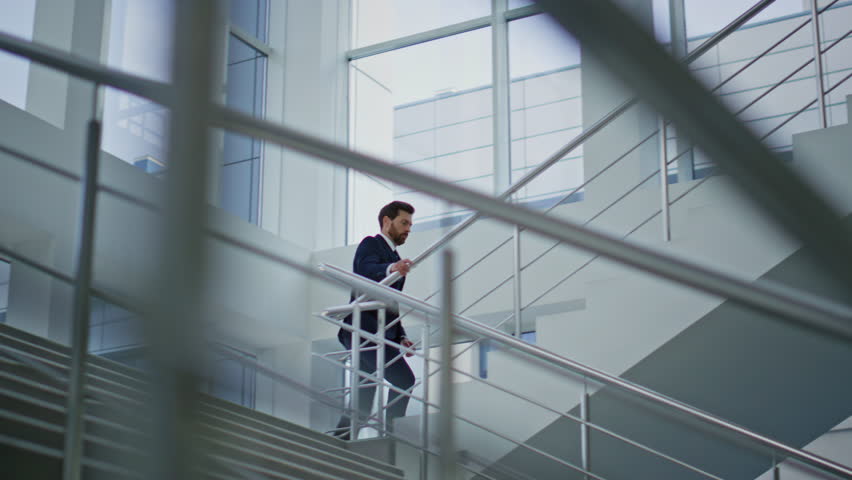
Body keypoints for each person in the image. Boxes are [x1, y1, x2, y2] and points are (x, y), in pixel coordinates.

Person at [333, 201, 417, 440]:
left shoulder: (395, 257)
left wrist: (401, 336)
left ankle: (338, 444)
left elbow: (392, 303)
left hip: (379, 334)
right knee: (404, 379)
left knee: (363, 397)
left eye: (410, 225)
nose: (408, 229)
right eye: (404, 223)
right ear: (386, 221)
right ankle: (390, 436)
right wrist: (391, 268)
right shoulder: (371, 244)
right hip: (361, 330)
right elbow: (364, 269)